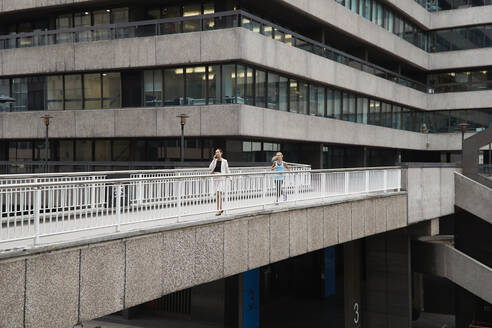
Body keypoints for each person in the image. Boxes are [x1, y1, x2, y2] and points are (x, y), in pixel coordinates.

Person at [209, 148, 231, 215]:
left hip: (221, 179)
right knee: (218, 195)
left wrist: (231, 177)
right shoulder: (215, 161)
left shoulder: (224, 161)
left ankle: (218, 210)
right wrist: (213, 160)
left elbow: (227, 170)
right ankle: (220, 209)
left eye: (218, 152)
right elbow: (210, 168)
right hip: (216, 179)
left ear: (221, 153)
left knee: (219, 194)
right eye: (216, 152)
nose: (217, 153)